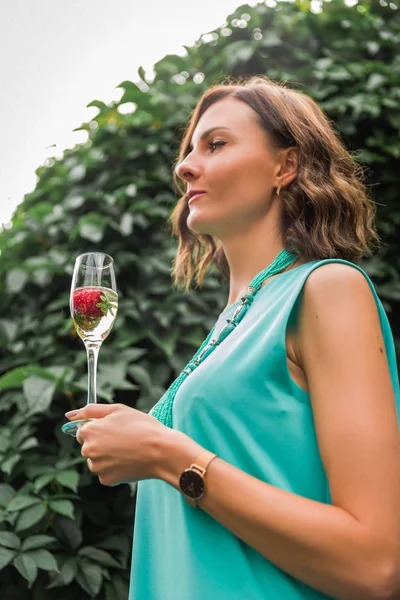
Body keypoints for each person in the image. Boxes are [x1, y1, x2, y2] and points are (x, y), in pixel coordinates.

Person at [65, 76, 400, 600]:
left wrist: (169, 456)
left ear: (284, 166)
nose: (185, 166)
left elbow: (376, 565)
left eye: (216, 144)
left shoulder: (328, 288)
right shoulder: (232, 322)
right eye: (189, 150)